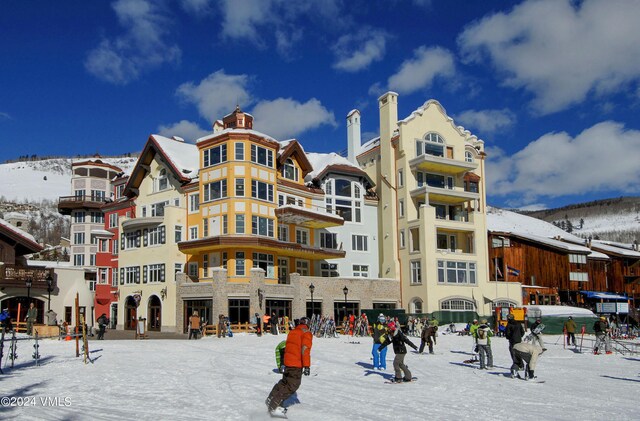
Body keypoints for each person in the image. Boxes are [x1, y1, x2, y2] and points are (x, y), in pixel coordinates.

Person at [265, 317, 313, 418]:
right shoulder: (306, 333)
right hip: (296, 363)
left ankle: (271, 398)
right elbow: (305, 350)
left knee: (285, 382)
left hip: (288, 362)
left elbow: (288, 346)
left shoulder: (293, 332)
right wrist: (307, 366)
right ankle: (274, 406)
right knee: (292, 385)